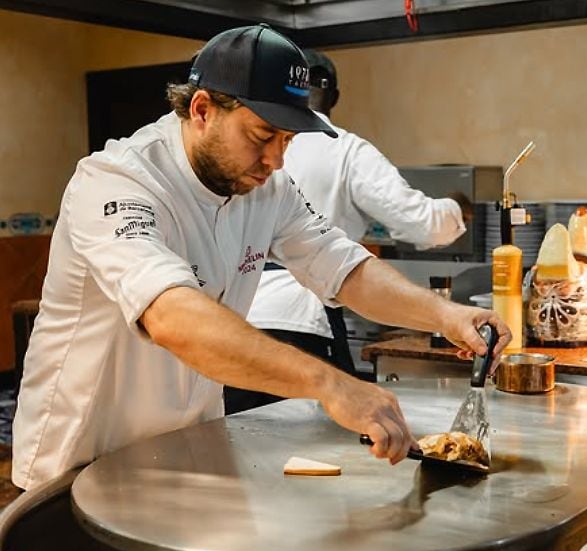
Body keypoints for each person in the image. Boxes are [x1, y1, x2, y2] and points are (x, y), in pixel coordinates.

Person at [12, 25, 510, 491]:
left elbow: (342, 265)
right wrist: (329, 383)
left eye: (288, 140)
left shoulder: (267, 188)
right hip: (81, 462)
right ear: (202, 109)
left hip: (184, 451)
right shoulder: (117, 180)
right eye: (261, 136)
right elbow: (170, 317)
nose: (275, 159)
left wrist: (446, 316)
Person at [226, 49, 472, 413]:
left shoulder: (250, 151)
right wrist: (457, 206)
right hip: (301, 322)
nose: (276, 157)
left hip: (233, 328)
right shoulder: (343, 148)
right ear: (335, 97)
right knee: (321, 451)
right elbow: (422, 224)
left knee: (243, 448)